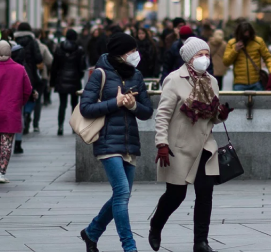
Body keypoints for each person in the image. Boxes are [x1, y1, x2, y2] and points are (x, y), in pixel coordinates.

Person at [149, 37, 233, 252]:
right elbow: (163, 115)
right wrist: (162, 144)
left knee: (205, 193)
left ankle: (201, 242)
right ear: (188, 58)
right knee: (176, 195)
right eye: (199, 55)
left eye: (206, 54)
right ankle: (156, 225)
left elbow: (211, 117)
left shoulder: (212, 81)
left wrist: (221, 115)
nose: (204, 59)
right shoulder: (174, 79)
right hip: (179, 147)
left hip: (206, 146)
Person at [79, 32, 153, 252]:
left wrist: (132, 106)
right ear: (120, 54)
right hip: (107, 141)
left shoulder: (136, 75)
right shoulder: (99, 74)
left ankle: (91, 232)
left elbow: (147, 111)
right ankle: (129, 247)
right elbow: (86, 108)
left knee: (121, 195)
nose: (135, 55)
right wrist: (115, 102)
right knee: (121, 193)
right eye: (131, 51)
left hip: (129, 142)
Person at [0, 41, 33, 183]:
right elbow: (28, 89)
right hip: (11, 110)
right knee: (7, 142)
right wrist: (20, 103)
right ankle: (2, 171)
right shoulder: (19, 69)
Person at [50, 29, 86, 135]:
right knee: (74, 105)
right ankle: (74, 127)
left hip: (61, 79)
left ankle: (60, 126)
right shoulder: (79, 50)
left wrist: (52, 82)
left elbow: (54, 67)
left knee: (62, 104)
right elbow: (82, 67)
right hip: (74, 80)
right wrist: (79, 76)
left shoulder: (59, 49)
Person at [223, 22, 271, 91]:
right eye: (244, 36)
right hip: (239, 83)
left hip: (256, 82)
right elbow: (226, 62)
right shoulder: (232, 43)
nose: (246, 37)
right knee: (239, 102)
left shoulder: (258, 42)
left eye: (248, 35)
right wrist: (235, 50)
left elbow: (267, 57)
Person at [13, 22, 44, 135]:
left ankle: (20, 118)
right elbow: (38, 58)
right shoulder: (33, 41)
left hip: (15, 72)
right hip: (30, 73)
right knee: (31, 94)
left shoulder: (14, 40)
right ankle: (26, 113)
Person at [32, 30, 54, 132]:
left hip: (26, 76)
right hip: (41, 75)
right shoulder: (42, 47)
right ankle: (35, 124)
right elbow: (50, 61)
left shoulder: (21, 45)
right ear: (40, 35)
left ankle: (26, 120)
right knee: (38, 99)